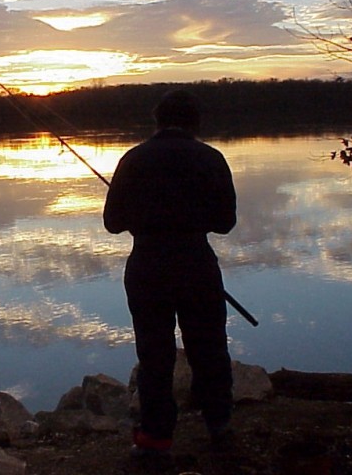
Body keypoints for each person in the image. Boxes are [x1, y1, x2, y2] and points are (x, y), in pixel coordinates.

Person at [103, 89, 237, 455]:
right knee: (209, 348)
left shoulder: (133, 159)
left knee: (154, 354)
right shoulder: (211, 158)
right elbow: (226, 223)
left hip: (147, 266)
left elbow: (113, 223)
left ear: (156, 121)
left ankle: (156, 436)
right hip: (197, 263)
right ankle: (219, 425)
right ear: (195, 123)